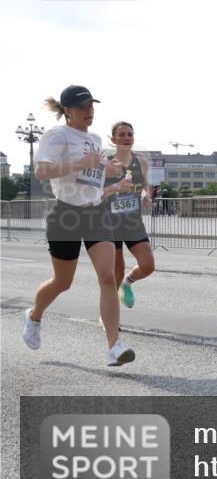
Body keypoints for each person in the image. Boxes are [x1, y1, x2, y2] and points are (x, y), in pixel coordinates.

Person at [21, 86, 136, 366]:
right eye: (83, 107)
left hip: (95, 213)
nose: (89, 111)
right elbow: (42, 172)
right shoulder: (56, 135)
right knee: (63, 282)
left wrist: (105, 171)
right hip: (66, 214)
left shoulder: (96, 139)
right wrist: (80, 163)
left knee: (107, 277)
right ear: (67, 111)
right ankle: (34, 315)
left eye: (91, 106)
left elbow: (89, 178)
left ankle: (114, 346)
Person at [102, 121, 155, 309]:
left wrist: (145, 195)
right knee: (115, 273)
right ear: (113, 139)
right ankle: (109, 316)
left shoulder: (140, 161)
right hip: (110, 223)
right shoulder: (106, 163)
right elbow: (96, 194)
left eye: (130, 134)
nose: (126, 138)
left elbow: (144, 185)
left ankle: (128, 282)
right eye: (122, 134)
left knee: (148, 265)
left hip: (133, 222)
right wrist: (116, 187)